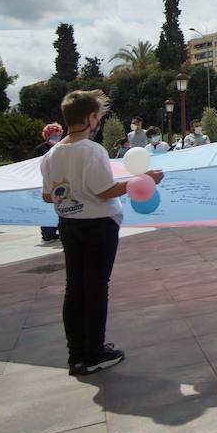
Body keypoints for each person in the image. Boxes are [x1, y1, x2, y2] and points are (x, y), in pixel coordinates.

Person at [41, 90, 163, 375]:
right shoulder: (91, 150)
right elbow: (105, 190)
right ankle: (95, 351)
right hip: (98, 224)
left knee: (75, 288)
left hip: (68, 224)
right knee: (96, 288)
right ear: (90, 118)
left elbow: (48, 196)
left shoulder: (51, 154)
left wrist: (69, 196)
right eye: (98, 117)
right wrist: (142, 180)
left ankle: (76, 354)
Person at [34, 123, 64, 242]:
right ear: (46, 135)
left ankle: (59, 230)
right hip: (45, 182)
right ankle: (47, 232)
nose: (56, 137)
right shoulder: (40, 149)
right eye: (53, 135)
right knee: (46, 208)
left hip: (59, 181)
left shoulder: (62, 147)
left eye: (58, 135)